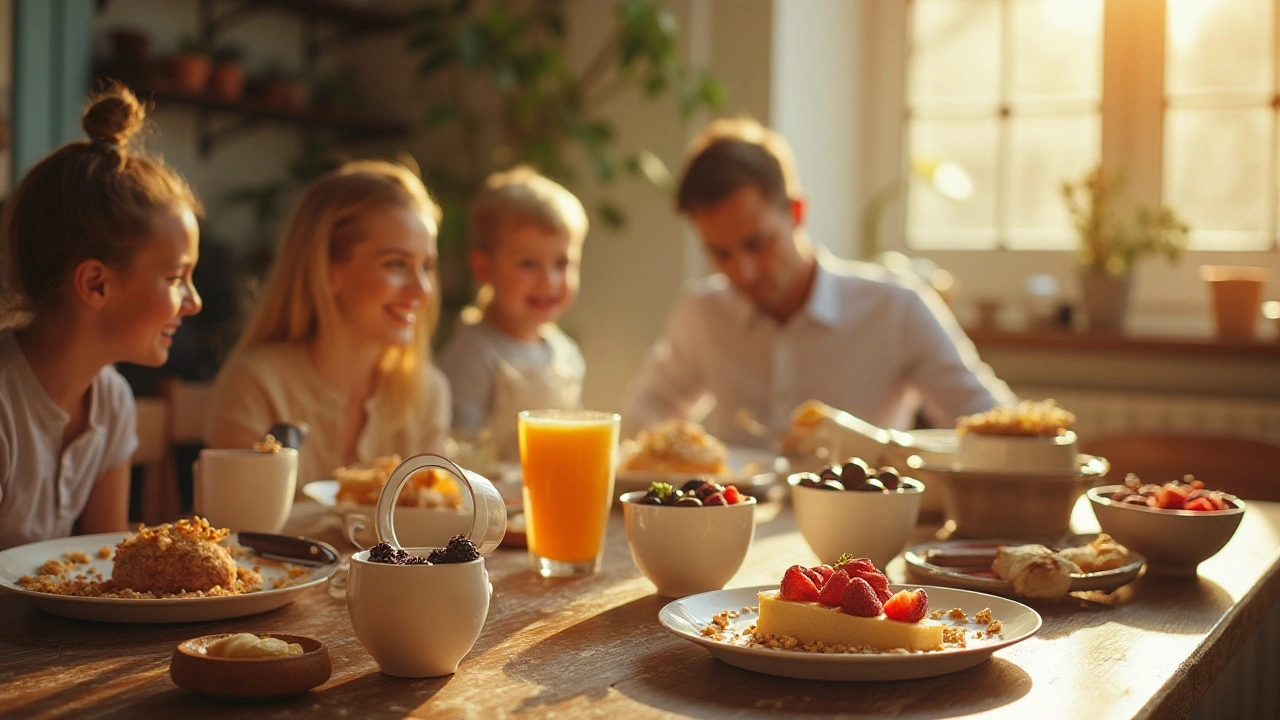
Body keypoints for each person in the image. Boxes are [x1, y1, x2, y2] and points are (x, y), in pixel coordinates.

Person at [624, 117, 1015, 448]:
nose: (743, 272)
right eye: (720, 253)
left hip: (866, 530)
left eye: (757, 244)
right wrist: (683, 450)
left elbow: (994, 422)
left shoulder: (896, 306)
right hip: (737, 530)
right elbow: (645, 413)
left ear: (797, 212)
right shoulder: (702, 312)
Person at [0, 83, 204, 549]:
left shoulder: (111, 400)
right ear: (95, 283)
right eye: (176, 277)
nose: (193, 302)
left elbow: (101, 567)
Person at [204, 160, 450, 486]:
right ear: (328, 271)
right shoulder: (256, 385)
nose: (422, 290)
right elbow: (240, 528)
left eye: (428, 266)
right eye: (396, 264)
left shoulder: (427, 392)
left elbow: (436, 518)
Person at [437, 166, 588, 463]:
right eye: (528, 264)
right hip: (492, 504)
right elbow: (456, 452)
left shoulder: (566, 354)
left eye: (561, 263)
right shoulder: (474, 354)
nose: (549, 282)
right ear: (484, 268)